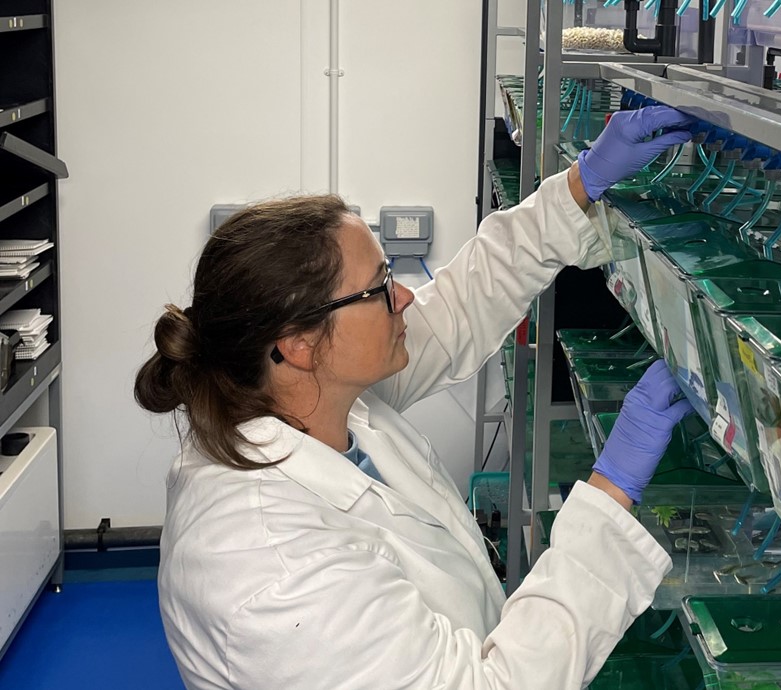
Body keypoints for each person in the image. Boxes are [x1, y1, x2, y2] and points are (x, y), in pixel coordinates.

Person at [134, 106, 696, 689]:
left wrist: (580, 185)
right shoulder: (270, 569)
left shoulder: (316, 398)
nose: (403, 295)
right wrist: (610, 491)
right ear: (299, 344)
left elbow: (458, 306)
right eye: (378, 287)